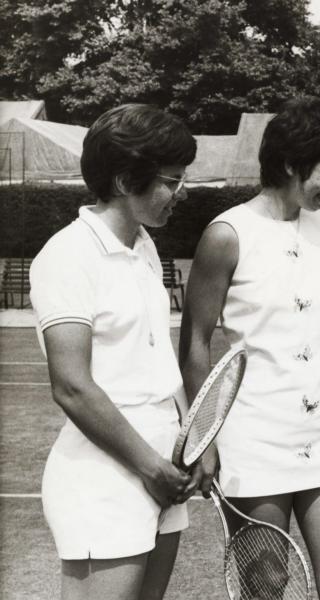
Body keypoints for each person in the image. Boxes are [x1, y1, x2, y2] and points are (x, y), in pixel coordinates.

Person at [179, 97, 320, 600]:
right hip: (253, 432)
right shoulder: (226, 234)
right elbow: (194, 342)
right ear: (290, 164)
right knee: (266, 587)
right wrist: (205, 439)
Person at [29, 104, 196, 600]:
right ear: (125, 180)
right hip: (104, 480)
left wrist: (194, 444)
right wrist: (152, 466)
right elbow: (73, 387)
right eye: (171, 181)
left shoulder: (144, 246)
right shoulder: (66, 256)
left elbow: (158, 364)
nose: (178, 194)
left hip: (163, 469)